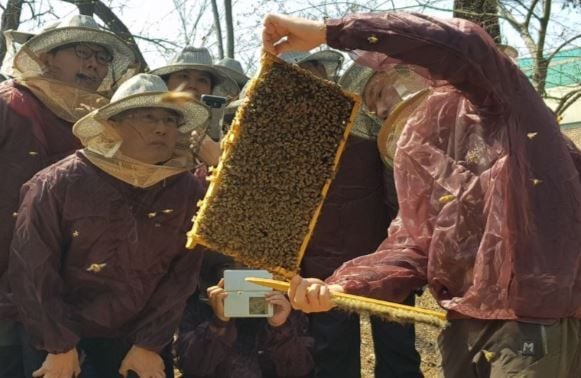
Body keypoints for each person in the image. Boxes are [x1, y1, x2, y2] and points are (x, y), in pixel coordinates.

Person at [263, 12, 581, 377]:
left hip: (534, 318)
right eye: (372, 103)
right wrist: (338, 287)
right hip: (461, 325)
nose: (381, 106)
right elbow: (413, 244)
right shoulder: (422, 158)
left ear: (420, 68)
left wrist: (330, 33)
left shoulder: (505, 105)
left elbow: (466, 46)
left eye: (382, 87)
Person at [1, 73, 210, 378]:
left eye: (170, 120)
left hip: (138, 343)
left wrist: (149, 345)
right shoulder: (57, 182)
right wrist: (59, 347)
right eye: (148, 117)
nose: (161, 127)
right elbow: (32, 268)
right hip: (58, 340)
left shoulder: (189, 192)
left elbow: (182, 275)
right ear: (113, 125)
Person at [0, 14, 138, 377]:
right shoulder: (8, 105)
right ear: (46, 58)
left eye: (102, 57)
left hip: (73, 300)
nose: (93, 64)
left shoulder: (100, 126)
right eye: (81, 52)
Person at [297, 60, 425, 377]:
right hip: (322, 275)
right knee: (332, 357)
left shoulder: (369, 139)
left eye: (319, 81)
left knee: (399, 354)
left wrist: (407, 262)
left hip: (384, 266)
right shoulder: (286, 150)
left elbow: (398, 202)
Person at [175, 252, 314, 378]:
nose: (242, 274)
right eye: (228, 267)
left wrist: (280, 327)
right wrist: (219, 323)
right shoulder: (197, 306)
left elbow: (300, 370)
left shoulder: (284, 306)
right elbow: (192, 368)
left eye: (251, 267)